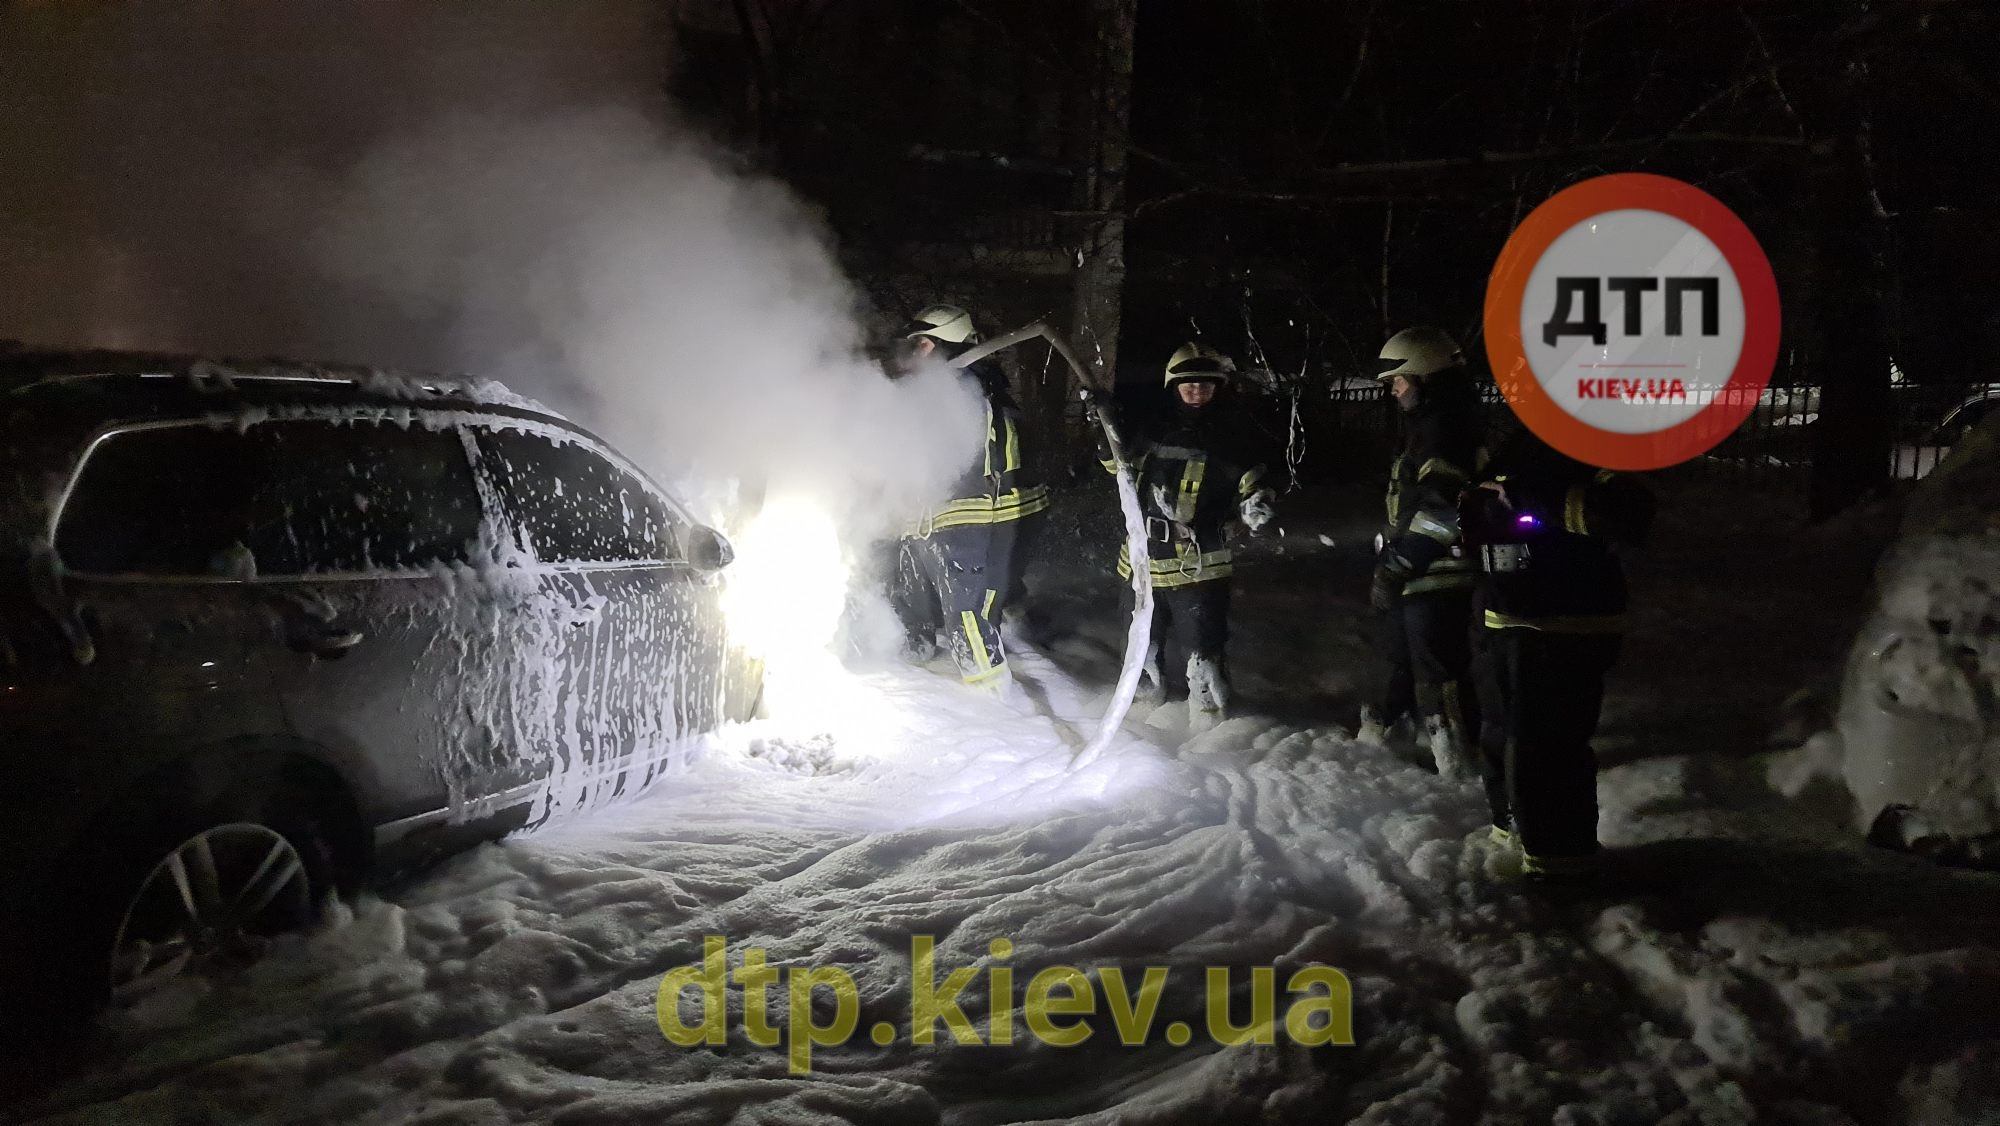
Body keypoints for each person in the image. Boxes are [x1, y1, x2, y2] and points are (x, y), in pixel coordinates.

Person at [1461, 426, 1655, 882]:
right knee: (1504, 736)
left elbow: (1629, 513)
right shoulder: (1523, 439)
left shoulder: (1598, 437)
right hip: (1506, 614)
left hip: (1564, 621)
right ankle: (1516, 833)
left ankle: (1561, 869)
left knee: (1546, 749)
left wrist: (1529, 499)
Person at [1100, 342, 1276, 723]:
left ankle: (1210, 734)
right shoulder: (1152, 431)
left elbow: (1254, 483)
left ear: (1217, 389)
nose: (1197, 392)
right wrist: (1104, 428)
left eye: (1205, 386)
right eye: (1189, 385)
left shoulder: (1230, 438)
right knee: (1141, 656)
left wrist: (1256, 507)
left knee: (1204, 662)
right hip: (1142, 566)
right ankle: (1140, 731)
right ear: (1173, 387)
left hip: (1198, 570)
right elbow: (1121, 470)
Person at [888, 304, 1048, 690]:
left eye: (925, 344)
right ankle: (915, 657)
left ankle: (987, 695)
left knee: (967, 613)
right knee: (912, 593)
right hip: (928, 517)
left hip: (964, 520)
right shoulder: (951, 389)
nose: (916, 353)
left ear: (951, 345)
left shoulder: (962, 390)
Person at [1358, 326, 1487, 779]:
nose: (1393, 391)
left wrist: (1400, 563)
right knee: (1405, 658)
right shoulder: (1429, 428)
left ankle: (1457, 762)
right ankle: (1395, 741)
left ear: (1425, 378)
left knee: (1439, 669)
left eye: (1399, 381)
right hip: (1420, 569)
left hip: (1437, 570)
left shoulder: (1444, 430)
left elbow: (1440, 508)